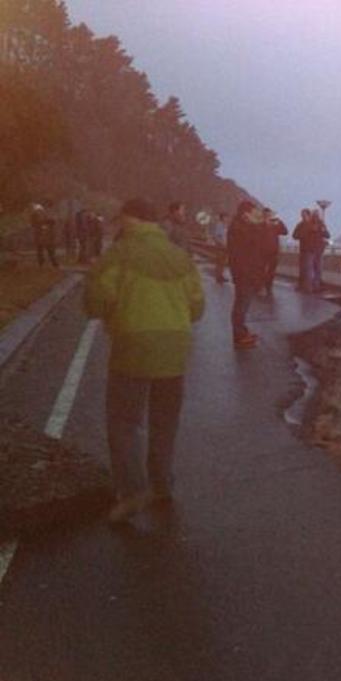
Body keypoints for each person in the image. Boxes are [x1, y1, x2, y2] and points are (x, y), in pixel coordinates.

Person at [84, 197, 205, 523]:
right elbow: (197, 308)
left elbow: (95, 303)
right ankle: (162, 483)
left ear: (130, 218)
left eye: (121, 219)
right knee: (165, 421)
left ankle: (132, 490)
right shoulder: (179, 257)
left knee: (124, 422)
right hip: (175, 349)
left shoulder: (118, 254)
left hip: (133, 346)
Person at [227, 200, 265, 349]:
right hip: (244, 272)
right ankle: (239, 336)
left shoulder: (239, 226)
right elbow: (251, 245)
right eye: (253, 212)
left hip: (244, 270)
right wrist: (256, 225)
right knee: (241, 304)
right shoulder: (239, 228)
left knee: (242, 303)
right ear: (245, 214)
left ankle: (241, 332)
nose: (255, 215)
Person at [292, 208, 330, 292]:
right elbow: (296, 236)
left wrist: (323, 231)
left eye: (317, 215)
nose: (316, 217)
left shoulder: (321, 224)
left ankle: (315, 286)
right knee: (309, 269)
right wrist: (309, 230)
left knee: (317, 269)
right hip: (308, 250)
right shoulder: (305, 225)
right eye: (315, 215)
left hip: (318, 250)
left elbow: (327, 235)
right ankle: (308, 287)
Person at [260, 208, 287, 296]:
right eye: (266, 214)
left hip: (273, 251)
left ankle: (269, 286)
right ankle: (262, 286)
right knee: (262, 269)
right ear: (263, 215)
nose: (267, 216)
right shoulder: (259, 224)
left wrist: (280, 222)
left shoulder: (275, 225)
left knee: (271, 270)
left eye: (269, 214)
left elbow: (285, 232)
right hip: (262, 251)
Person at [30, 201, 59, 268]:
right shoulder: (37, 213)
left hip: (45, 233)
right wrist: (46, 222)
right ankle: (44, 263)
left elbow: (51, 221)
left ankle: (52, 262)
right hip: (41, 232)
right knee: (42, 248)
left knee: (47, 248)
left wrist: (49, 222)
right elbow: (36, 222)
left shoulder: (42, 212)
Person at [211, 213, 229, 283]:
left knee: (223, 262)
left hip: (225, 247)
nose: (227, 219)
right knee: (219, 262)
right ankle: (218, 277)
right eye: (225, 217)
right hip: (220, 247)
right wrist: (221, 244)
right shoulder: (219, 225)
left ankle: (221, 276)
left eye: (227, 217)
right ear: (222, 218)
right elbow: (216, 236)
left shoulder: (225, 226)